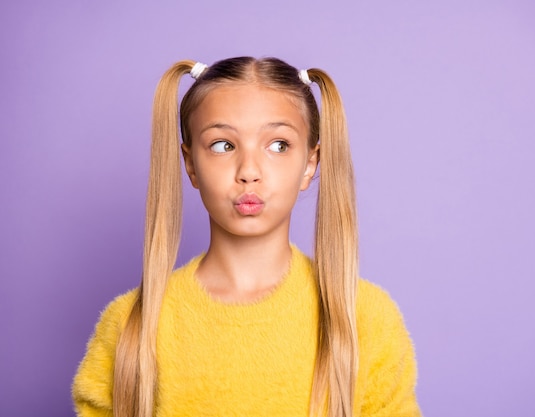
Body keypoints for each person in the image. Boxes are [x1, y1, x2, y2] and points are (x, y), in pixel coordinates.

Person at [72, 57, 422, 417]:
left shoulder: (366, 318)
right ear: (190, 165)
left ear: (310, 164)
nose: (249, 171)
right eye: (223, 145)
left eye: (279, 145)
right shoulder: (130, 325)